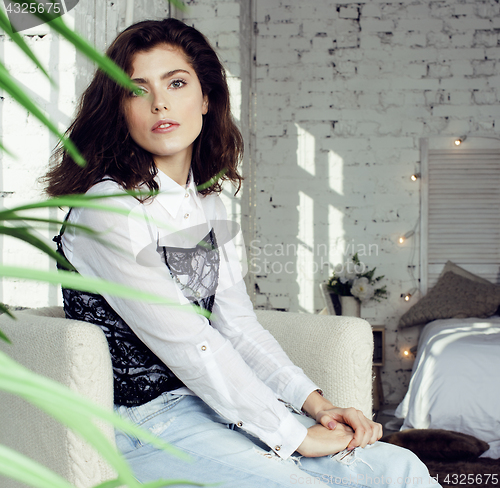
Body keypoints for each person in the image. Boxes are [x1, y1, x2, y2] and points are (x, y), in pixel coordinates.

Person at [45, 18, 440, 487]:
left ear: (206, 97)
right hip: (144, 427)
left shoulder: (210, 202)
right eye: (137, 90)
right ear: (119, 109)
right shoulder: (106, 207)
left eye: (176, 82)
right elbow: (190, 342)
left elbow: (236, 327)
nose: (160, 103)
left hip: (212, 406)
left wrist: (317, 405)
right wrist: (292, 434)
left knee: (400, 470)